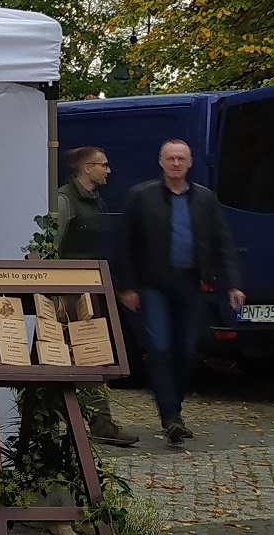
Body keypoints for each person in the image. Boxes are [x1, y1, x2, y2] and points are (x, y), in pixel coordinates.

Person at [113, 139, 244, 448]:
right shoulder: (141, 197)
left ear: (190, 163)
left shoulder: (204, 199)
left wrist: (234, 283)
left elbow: (222, 242)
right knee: (158, 348)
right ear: (161, 162)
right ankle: (170, 417)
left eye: (180, 158)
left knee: (186, 351)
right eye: (170, 158)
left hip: (190, 283)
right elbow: (124, 246)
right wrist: (126, 287)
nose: (175, 163)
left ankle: (175, 409)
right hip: (153, 283)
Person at [53, 146, 137, 446]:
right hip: (71, 294)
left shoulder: (96, 201)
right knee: (75, 359)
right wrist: (58, 297)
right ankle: (54, 424)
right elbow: (53, 248)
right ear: (87, 169)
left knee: (96, 357)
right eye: (103, 165)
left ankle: (99, 422)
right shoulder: (64, 201)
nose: (108, 170)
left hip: (92, 289)